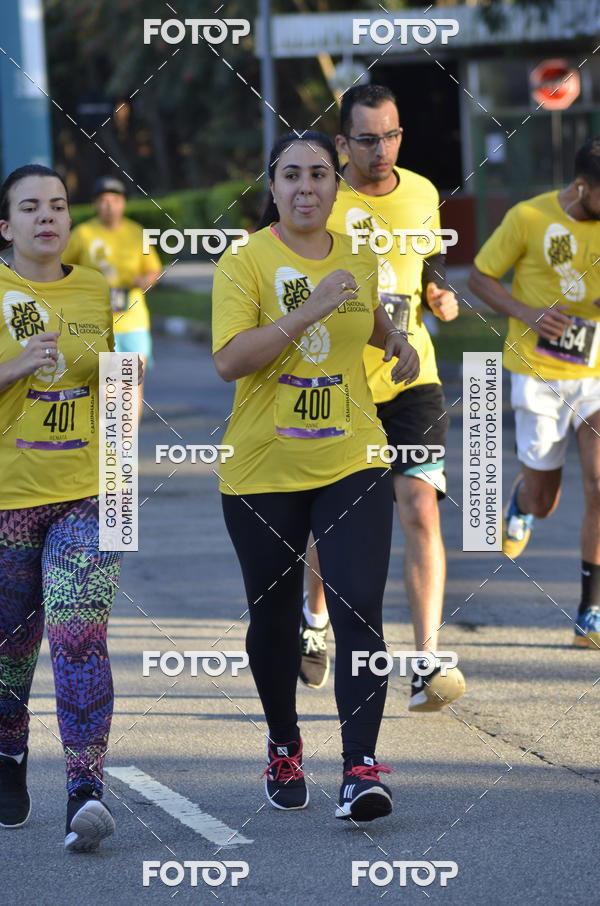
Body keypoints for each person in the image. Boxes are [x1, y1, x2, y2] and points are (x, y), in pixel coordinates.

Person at [212, 131, 419, 821]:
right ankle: (284, 740)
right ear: (271, 187)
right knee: (273, 623)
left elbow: (360, 319)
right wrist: (313, 309)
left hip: (351, 454)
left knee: (359, 602)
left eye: (320, 175)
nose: (307, 187)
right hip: (263, 466)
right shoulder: (244, 262)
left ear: (337, 185)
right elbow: (232, 360)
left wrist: (392, 337)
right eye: (292, 175)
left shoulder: (357, 257)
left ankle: (360, 767)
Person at [299, 85, 466, 711]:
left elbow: (427, 262)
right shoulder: (320, 197)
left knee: (420, 507)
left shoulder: (422, 193)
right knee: (333, 517)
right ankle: (314, 619)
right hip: (338, 382)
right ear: (342, 143)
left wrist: (439, 293)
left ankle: (426, 660)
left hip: (411, 378)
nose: (381, 150)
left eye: (391, 135)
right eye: (367, 139)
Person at [0, 164, 126, 850]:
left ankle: (85, 789)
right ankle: (10, 754)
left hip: (85, 492)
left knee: (79, 637)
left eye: (56, 205)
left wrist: (121, 484)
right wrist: (15, 366)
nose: (46, 217)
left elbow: (108, 388)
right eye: (30, 207)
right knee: (11, 654)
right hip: (5, 502)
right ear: (6, 226)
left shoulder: (90, 287)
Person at [469, 137, 600, 650]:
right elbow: (480, 278)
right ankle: (521, 501)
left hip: (596, 374)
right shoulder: (529, 217)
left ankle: (590, 609)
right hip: (538, 373)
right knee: (546, 499)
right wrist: (528, 314)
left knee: (598, 482)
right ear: (582, 185)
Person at [63, 175, 160, 421]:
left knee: (132, 386)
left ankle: (126, 447)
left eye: (115, 200)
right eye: (103, 200)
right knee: (108, 390)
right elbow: (63, 268)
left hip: (134, 320)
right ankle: (110, 449)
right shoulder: (82, 234)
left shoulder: (137, 233)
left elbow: (153, 269)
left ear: (123, 203)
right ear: (95, 204)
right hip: (97, 324)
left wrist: (145, 280)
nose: (109, 205)